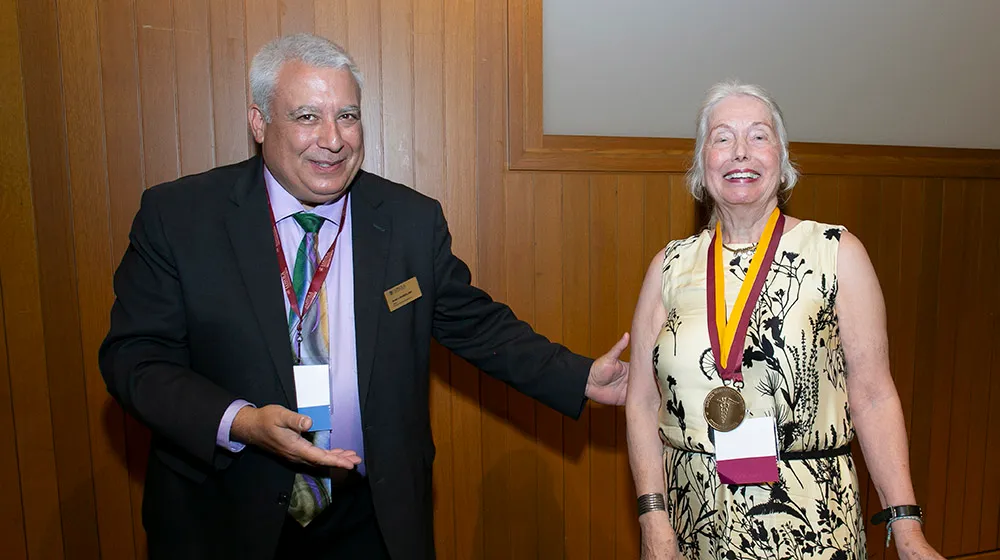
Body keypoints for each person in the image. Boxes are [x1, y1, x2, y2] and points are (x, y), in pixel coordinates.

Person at [99, 33, 629, 560]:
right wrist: (240, 421)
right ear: (259, 123)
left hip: (371, 516)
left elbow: (477, 324)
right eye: (307, 117)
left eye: (347, 116)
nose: (332, 139)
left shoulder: (408, 221)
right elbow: (134, 359)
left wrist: (578, 375)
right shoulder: (180, 218)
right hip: (225, 514)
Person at [624, 81, 943, 559]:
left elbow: (874, 396)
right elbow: (643, 402)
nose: (740, 153)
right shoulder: (669, 267)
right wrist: (652, 517)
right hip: (692, 525)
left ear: (783, 159)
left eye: (758, 136)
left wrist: (907, 525)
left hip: (811, 524)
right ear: (700, 163)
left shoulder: (836, 253)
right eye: (722, 137)